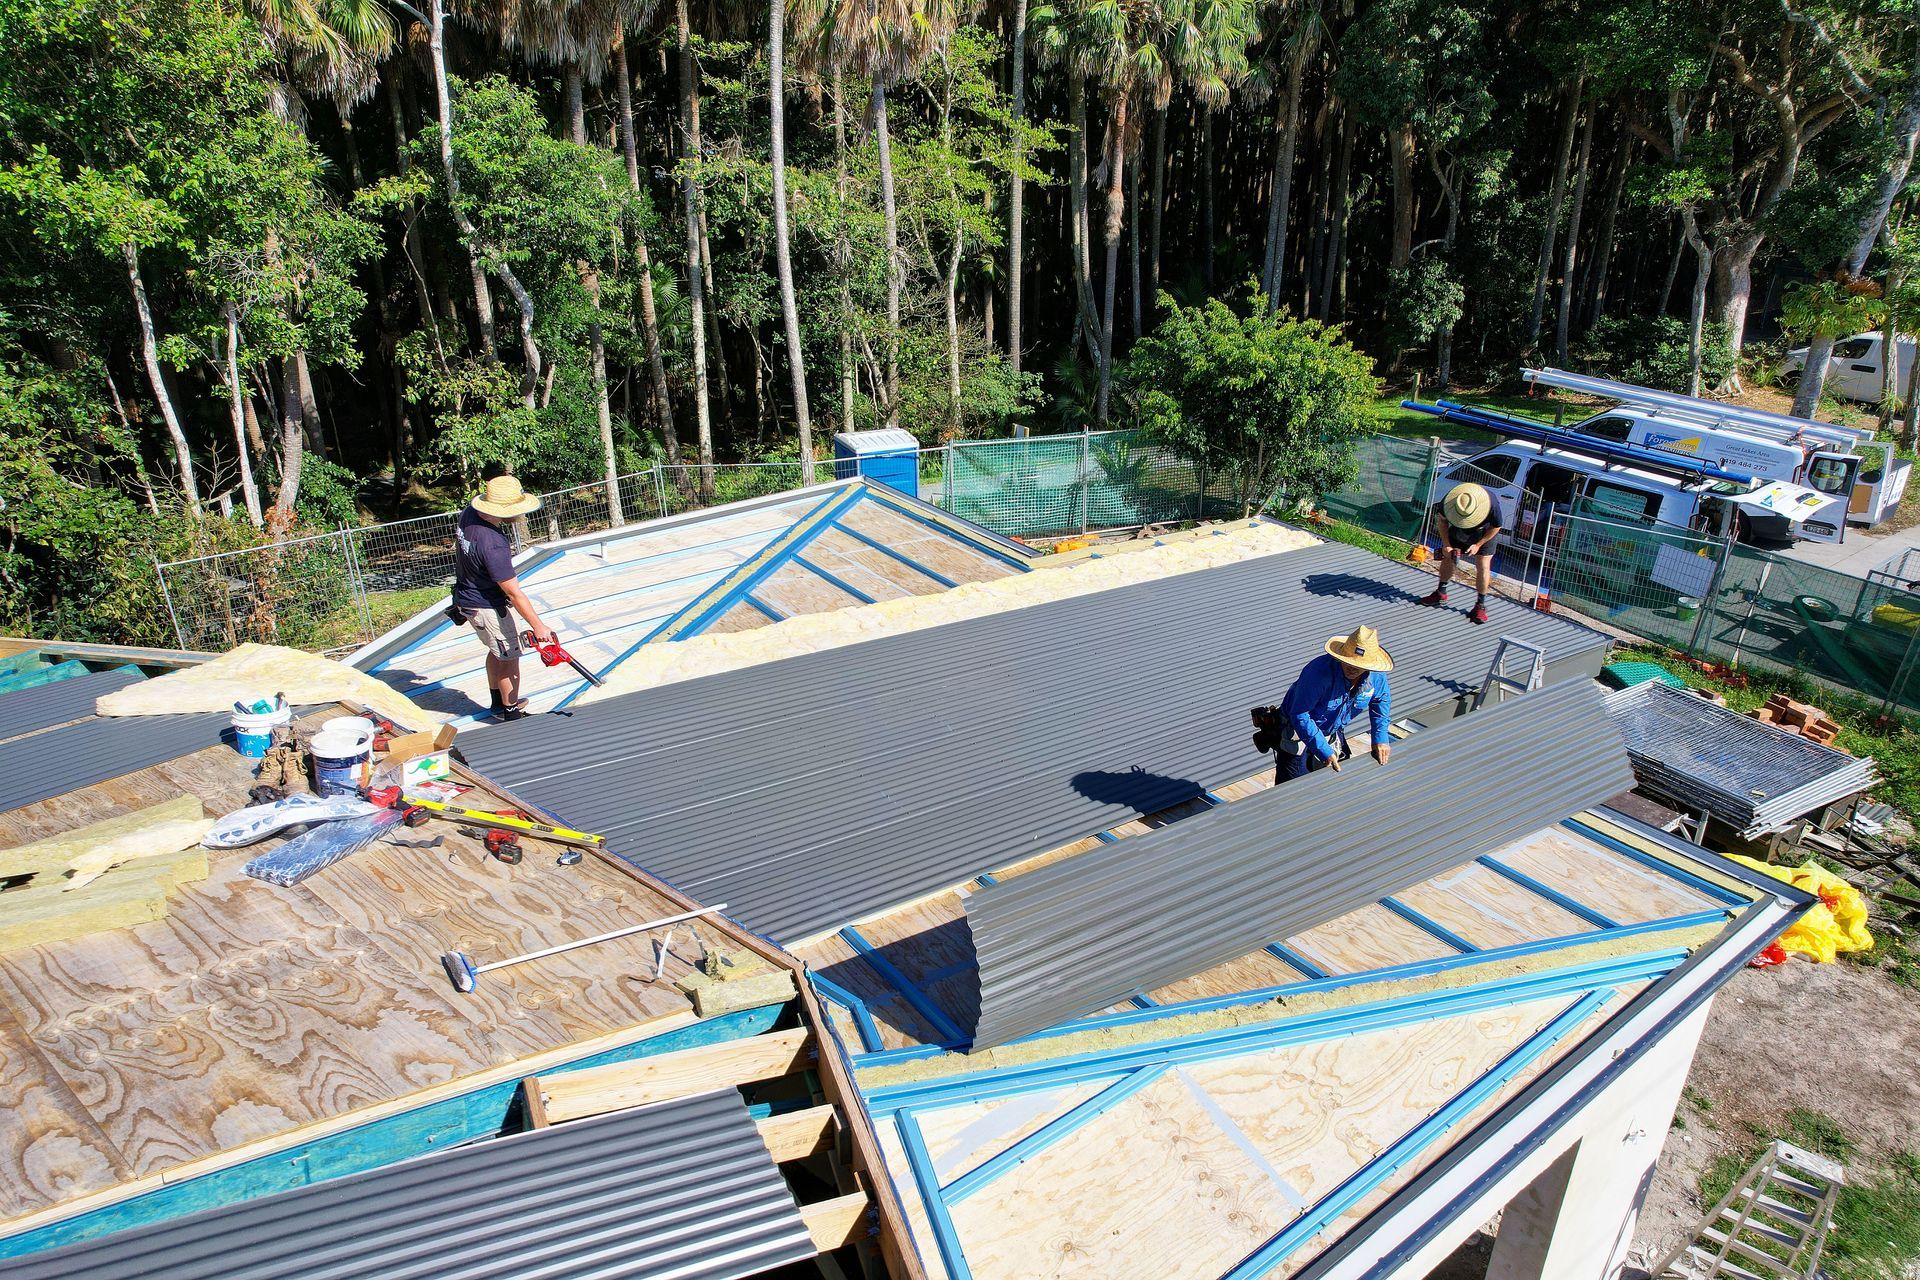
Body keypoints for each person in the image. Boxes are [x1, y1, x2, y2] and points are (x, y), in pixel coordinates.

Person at [454, 475, 556, 721]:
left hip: (468, 597)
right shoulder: (493, 544)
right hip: (486, 606)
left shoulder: (469, 514)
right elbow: (513, 592)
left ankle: (498, 703)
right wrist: (538, 626)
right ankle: (510, 713)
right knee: (510, 655)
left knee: (496, 650)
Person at [1272, 625, 1393, 783]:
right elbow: (1300, 714)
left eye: (1359, 666)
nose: (1352, 668)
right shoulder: (1317, 674)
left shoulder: (1377, 677)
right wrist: (1323, 749)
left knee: (1332, 782)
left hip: (1331, 730)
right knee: (1292, 787)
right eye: (1348, 661)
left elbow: (1380, 701)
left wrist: (1380, 737)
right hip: (1296, 732)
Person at [1422, 482, 1504, 624]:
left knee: (1483, 565)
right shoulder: (1449, 500)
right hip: (1459, 528)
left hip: (1484, 533)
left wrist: (1478, 545)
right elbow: (1442, 522)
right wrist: (1447, 546)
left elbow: (1496, 526)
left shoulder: (1492, 503)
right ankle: (1441, 592)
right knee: (1448, 557)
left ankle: (1480, 605)